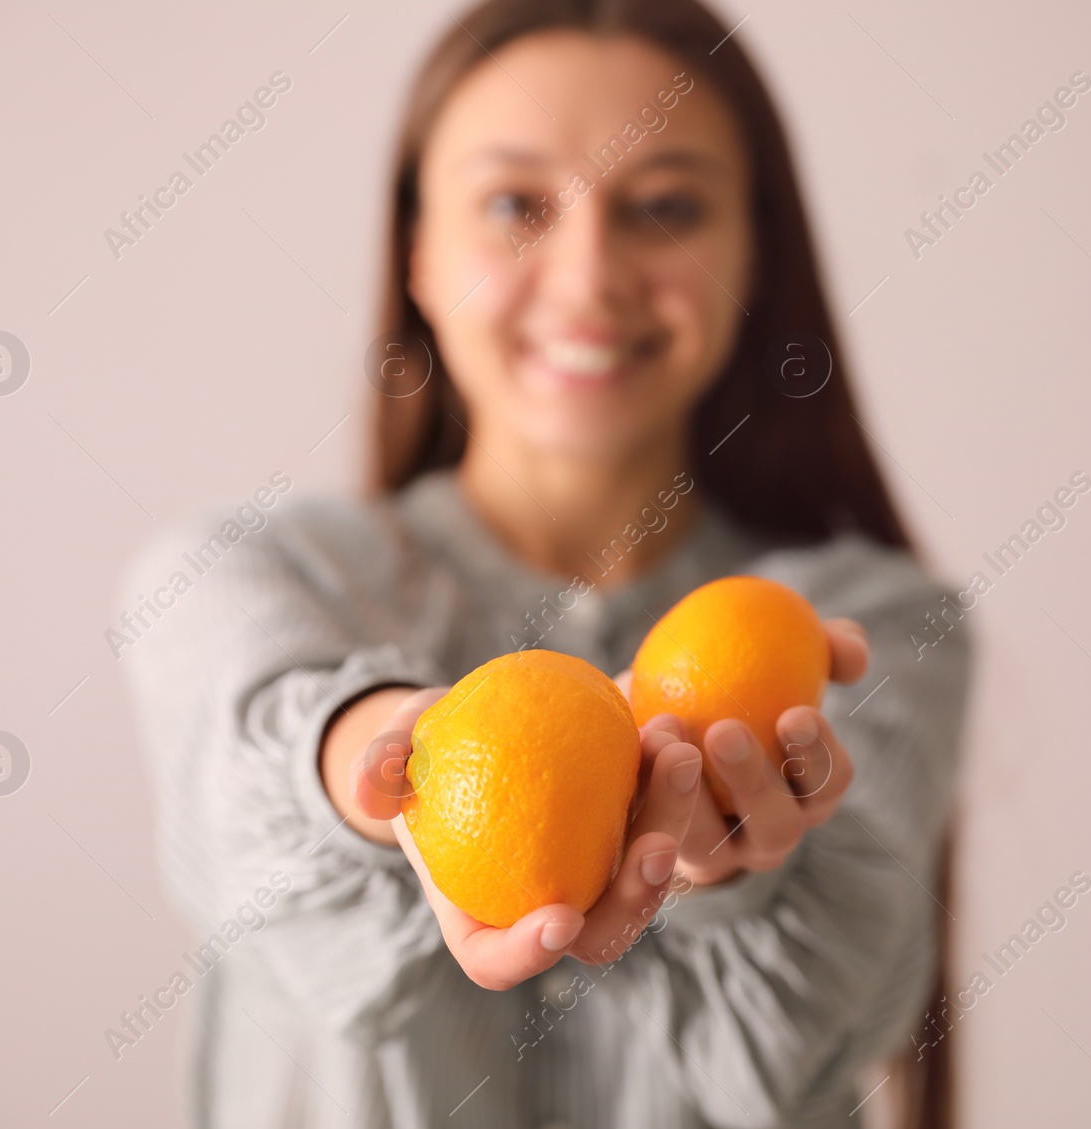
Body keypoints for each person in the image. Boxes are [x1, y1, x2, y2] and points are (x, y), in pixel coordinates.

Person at [120, 1, 970, 1125]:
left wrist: (727, 868)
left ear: (750, 253)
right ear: (416, 251)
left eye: (664, 206)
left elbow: (797, 1040)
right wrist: (381, 767)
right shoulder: (246, 571)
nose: (586, 278)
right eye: (517, 204)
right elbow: (253, 757)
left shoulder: (868, 625)